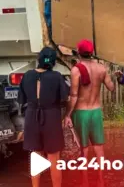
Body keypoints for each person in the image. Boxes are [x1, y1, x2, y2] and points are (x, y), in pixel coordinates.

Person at [64, 39, 115, 187]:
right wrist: (115, 77)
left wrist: (67, 115)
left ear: (78, 53)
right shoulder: (102, 68)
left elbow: (73, 96)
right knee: (99, 148)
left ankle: (84, 181)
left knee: (84, 148)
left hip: (81, 113)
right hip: (96, 112)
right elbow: (111, 88)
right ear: (92, 53)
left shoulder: (76, 70)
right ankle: (101, 180)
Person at [18, 47, 69, 187]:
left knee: (36, 157)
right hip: (51, 117)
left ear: (38, 60)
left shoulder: (27, 75)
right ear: (53, 62)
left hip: (31, 117)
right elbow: (65, 98)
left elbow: (21, 100)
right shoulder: (57, 76)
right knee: (54, 158)